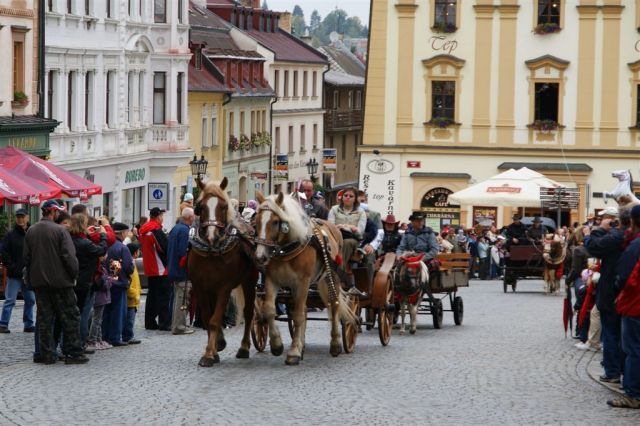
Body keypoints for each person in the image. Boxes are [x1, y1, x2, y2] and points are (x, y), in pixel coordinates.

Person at [24, 200, 87, 365]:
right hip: (61, 283)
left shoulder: (31, 230)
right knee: (71, 317)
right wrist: (74, 274)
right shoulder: (60, 231)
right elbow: (69, 257)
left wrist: (30, 279)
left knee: (44, 319)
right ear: (53, 212)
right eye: (58, 211)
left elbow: (27, 258)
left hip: (40, 283)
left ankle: (46, 354)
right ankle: (73, 353)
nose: (59, 214)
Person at [583, 206, 625, 384]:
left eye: (605, 218)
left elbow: (595, 247)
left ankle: (613, 371)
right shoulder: (624, 236)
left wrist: (591, 232)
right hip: (619, 290)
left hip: (612, 291)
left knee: (611, 332)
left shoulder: (618, 236)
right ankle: (620, 369)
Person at [607, 204, 640, 408]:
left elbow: (625, 278)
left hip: (635, 304)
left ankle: (633, 394)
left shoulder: (636, 245)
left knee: (633, 349)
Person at [68, 213, 107, 351]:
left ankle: (68, 344)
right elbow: (101, 250)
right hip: (84, 281)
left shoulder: (68, 239)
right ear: (82, 225)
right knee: (82, 314)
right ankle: (79, 344)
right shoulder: (84, 243)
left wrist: (89, 235)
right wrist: (103, 234)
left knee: (70, 313)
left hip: (70, 280)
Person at [0, 209, 36, 334]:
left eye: (22, 217)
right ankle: (3, 324)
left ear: (27, 217)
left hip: (29, 273)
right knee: (10, 300)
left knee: (31, 300)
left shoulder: (32, 233)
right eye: (18, 217)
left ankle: (28, 324)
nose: (20, 219)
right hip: (14, 273)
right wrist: (12, 267)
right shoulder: (10, 235)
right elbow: (4, 253)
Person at [327, 186, 367, 295]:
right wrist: (344, 227)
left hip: (353, 240)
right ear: (342, 197)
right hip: (335, 238)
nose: (348, 198)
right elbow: (330, 226)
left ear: (355, 199)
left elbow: (360, 231)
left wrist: (346, 227)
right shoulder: (334, 209)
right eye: (346, 195)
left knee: (346, 243)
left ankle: (339, 273)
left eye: (351, 196)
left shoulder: (361, 212)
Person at [102, 222, 135, 346]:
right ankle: (115, 337)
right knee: (118, 312)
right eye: (126, 232)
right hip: (119, 283)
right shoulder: (122, 248)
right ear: (122, 233)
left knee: (106, 312)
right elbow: (128, 267)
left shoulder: (105, 245)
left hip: (106, 282)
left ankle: (105, 335)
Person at [139, 207, 171, 330]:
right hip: (160, 268)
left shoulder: (144, 230)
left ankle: (150, 322)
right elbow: (164, 248)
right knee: (163, 297)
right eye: (162, 216)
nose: (162, 218)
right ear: (158, 217)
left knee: (152, 297)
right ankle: (164, 323)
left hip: (150, 268)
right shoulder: (155, 230)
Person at [168, 208, 196, 335]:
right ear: (189, 217)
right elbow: (183, 252)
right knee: (182, 300)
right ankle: (179, 326)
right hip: (182, 271)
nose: (194, 219)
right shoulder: (185, 230)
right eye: (193, 216)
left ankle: (176, 324)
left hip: (174, 268)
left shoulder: (175, 228)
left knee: (178, 299)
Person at [124, 243, 142, 345]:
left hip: (133, 295)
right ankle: (128, 336)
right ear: (135, 253)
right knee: (130, 318)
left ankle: (128, 335)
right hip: (132, 296)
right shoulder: (130, 263)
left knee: (130, 317)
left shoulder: (132, 262)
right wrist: (135, 293)